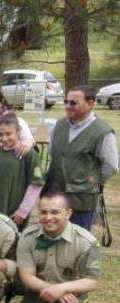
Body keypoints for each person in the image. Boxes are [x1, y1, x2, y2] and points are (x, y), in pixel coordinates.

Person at [7, 192, 100, 303]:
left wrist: (62, 289)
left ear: (69, 213)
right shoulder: (29, 237)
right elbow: (27, 277)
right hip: (40, 291)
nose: (48, 217)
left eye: (55, 212)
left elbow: (91, 281)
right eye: (43, 212)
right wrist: (52, 289)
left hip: (70, 294)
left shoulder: (86, 242)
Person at [44, 85, 119, 230]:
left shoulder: (102, 132)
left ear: (90, 104)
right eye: (66, 101)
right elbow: (53, 154)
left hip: (81, 201)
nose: (67, 106)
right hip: (54, 197)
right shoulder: (59, 125)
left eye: (73, 103)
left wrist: (90, 181)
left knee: (77, 244)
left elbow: (111, 167)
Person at [0, 116, 44, 228]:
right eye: (0, 135)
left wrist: (22, 212)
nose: (4, 138)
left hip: (16, 213)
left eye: (8, 134)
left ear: (18, 132)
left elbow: (36, 185)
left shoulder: (29, 154)